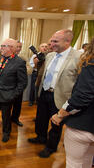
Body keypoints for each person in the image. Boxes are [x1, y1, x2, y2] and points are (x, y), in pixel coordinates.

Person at [28, 29, 82, 158]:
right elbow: (40, 72)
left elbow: (80, 81)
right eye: (51, 41)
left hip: (61, 97)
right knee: (41, 118)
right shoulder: (50, 55)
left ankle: (51, 147)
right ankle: (40, 137)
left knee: (56, 124)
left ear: (67, 41)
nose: (51, 44)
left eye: (55, 41)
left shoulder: (78, 57)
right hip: (44, 92)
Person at [51, 39, 94, 168]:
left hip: (83, 124)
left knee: (74, 163)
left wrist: (60, 114)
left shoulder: (90, 64)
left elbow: (82, 97)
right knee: (87, 159)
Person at [0, 38, 27, 142]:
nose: (1, 48)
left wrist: (13, 95)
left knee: (6, 116)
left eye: (3, 46)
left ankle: (6, 132)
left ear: (11, 48)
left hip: (8, 95)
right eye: (1, 45)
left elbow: (23, 83)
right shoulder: (0, 59)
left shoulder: (19, 62)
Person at [10, 41, 26, 127]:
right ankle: (7, 119)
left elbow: (29, 69)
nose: (19, 49)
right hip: (9, 86)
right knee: (8, 104)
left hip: (19, 85)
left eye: (20, 47)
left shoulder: (23, 58)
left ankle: (15, 118)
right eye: (17, 47)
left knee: (18, 104)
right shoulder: (7, 57)